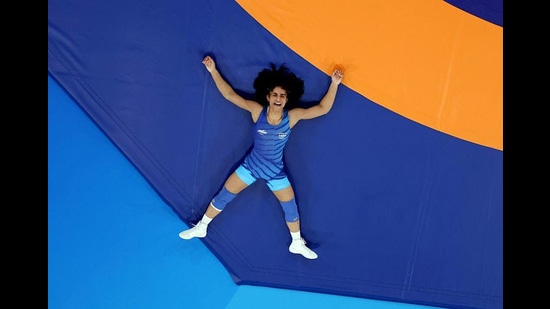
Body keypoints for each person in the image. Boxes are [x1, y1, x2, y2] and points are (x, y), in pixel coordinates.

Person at [178, 55, 344, 260]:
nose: (278, 98)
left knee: (290, 209)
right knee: (223, 196)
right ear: (268, 96)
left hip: (276, 173)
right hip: (251, 167)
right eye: (275, 94)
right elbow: (230, 95)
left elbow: (322, 109)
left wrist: (334, 84)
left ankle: (296, 243)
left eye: (282, 95)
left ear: (287, 99)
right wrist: (213, 70)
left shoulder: (292, 117)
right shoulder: (258, 112)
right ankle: (201, 227)